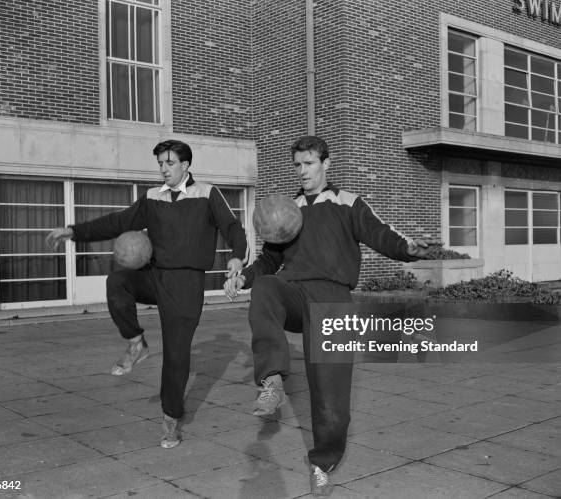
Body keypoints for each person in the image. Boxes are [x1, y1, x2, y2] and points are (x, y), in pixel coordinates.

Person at [224, 135, 429, 496]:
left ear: (325, 164)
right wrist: (245, 276)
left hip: (333, 301)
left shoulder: (347, 203)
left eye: (309, 163)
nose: (302, 171)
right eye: (298, 164)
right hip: (295, 293)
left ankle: (322, 464)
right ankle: (272, 381)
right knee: (267, 287)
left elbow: (380, 234)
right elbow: (270, 260)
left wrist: (407, 248)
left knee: (331, 401)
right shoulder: (289, 210)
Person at [47, 139, 247, 449]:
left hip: (186, 284)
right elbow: (119, 222)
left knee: (176, 356)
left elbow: (233, 228)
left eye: (169, 163)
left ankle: (171, 420)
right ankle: (136, 343)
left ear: (185, 165)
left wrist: (237, 257)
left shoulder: (206, 193)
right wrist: (75, 231)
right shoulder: (153, 197)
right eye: (160, 164)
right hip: (155, 276)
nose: (163, 169)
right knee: (118, 282)